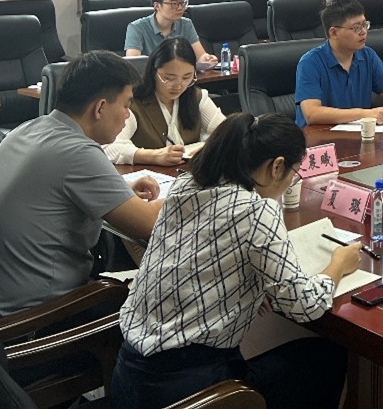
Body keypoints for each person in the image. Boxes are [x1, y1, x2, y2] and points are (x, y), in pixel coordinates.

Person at [111, 113, 361, 409]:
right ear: (277, 166)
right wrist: (338, 264)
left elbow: (204, 258)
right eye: (294, 172)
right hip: (190, 390)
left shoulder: (186, 186)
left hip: (128, 376)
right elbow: (303, 304)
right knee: (327, 355)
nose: (292, 180)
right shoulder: (256, 211)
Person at [0, 51, 164, 317]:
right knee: (159, 306)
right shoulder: (78, 152)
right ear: (100, 108)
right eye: (126, 105)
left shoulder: (28, 129)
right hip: (36, 317)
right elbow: (151, 224)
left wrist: (121, 191)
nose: (128, 115)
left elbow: (52, 191)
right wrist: (185, 191)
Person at [295, 0, 383, 127]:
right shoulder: (310, 63)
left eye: (365, 25)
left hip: (359, 134)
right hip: (319, 136)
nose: (363, 32)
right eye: (356, 28)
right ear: (334, 33)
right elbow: (312, 114)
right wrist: (364, 114)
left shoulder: (368, 56)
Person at [105, 37, 226, 166]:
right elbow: (109, 147)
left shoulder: (197, 97)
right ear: (153, 72)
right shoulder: (133, 103)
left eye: (187, 77)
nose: (178, 85)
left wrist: (206, 149)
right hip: (148, 175)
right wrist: (153, 156)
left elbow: (228, 133)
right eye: (169, 78)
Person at [125, 0, 215, 65]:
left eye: (182, 2)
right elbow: (134, 64)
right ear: (157, 6)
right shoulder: (136, 28)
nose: (180, 8)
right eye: (174, 3)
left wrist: (207, 59)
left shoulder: (186, 24)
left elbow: (201, 56)